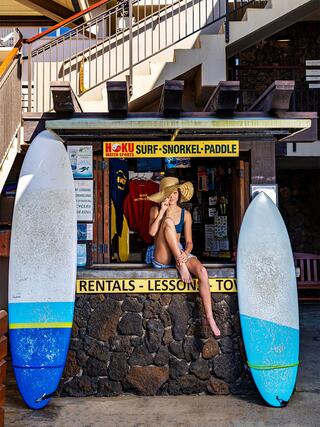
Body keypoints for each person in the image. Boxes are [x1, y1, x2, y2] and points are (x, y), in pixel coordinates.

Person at [146, 176, 221, 337]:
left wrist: (185, 255)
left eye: (174, 192)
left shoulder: (185, 214)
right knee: (168, 223)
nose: (172, 196)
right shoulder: (156, 210)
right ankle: (181, 265)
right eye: (168, 193)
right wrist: (163, 212)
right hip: (162, 253)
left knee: (201, 270)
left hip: (179, 251)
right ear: (163, 196)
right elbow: (151, 233)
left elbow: (189, 243)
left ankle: (210, 317)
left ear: (179, 194)